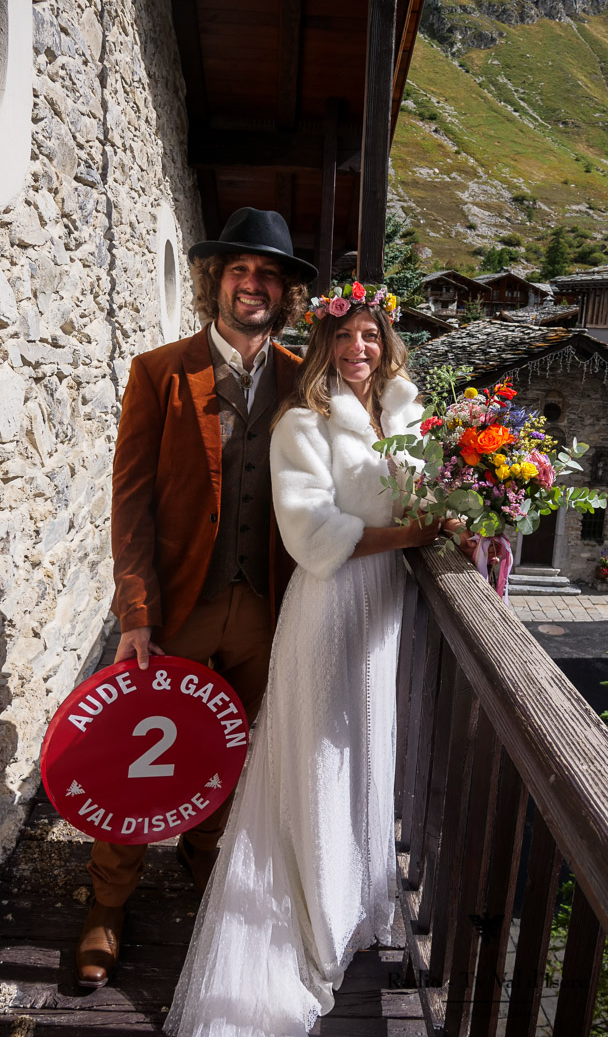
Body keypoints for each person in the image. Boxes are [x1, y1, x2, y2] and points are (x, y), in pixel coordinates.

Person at [164, 284, 442, 1037]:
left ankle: (354, 897)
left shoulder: (407, 414)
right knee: (323, 752)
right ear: (324, 344)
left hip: (385, 605)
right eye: (345, 336)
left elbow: (424, 494)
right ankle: (316, 913)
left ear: (387, 343)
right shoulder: (302, 422)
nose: (358, 349)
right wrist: (412, 536)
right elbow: (312, 536)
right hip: (332, 599)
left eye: (370, 335)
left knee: (365, 748)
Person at [75, 208, 317, 989]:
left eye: (269, 273)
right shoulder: (159, 371)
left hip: (268, 609)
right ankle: (108, 901)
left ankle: (205, 852)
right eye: (241, 269)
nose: (254, 283)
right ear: (216, 280)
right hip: (181, 604)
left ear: (284, 292)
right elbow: (131, 502)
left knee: (233, 748)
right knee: (135, 754)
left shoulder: (301, 378)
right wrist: (136, 612)